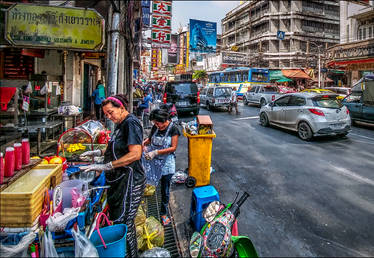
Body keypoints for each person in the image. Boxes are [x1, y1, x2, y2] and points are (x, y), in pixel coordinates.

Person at [80, 94, 145, 257]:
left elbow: (135, 154)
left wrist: (107, 165)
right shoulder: (121, 124)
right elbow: (118, 147)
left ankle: (131, 255)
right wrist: (97, 153)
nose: (109, 117)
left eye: (110, 112)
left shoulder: (131, 123)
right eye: (106, 114)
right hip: (119, 179)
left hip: (131, 181)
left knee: (126, 224)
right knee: (121, 220)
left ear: (121, 108)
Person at [142, 109, 180, 226]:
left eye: (157, 123)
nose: (156, 125)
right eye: (154, 123)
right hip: (153, 162)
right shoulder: (156, 128)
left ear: (164, 120)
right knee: (148, 184)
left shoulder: (173, 129)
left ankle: (164, 214)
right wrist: (143, 144)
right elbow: (149, 140)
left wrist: (156, 152)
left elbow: (173, 148)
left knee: (165, 190)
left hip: (166, 163)